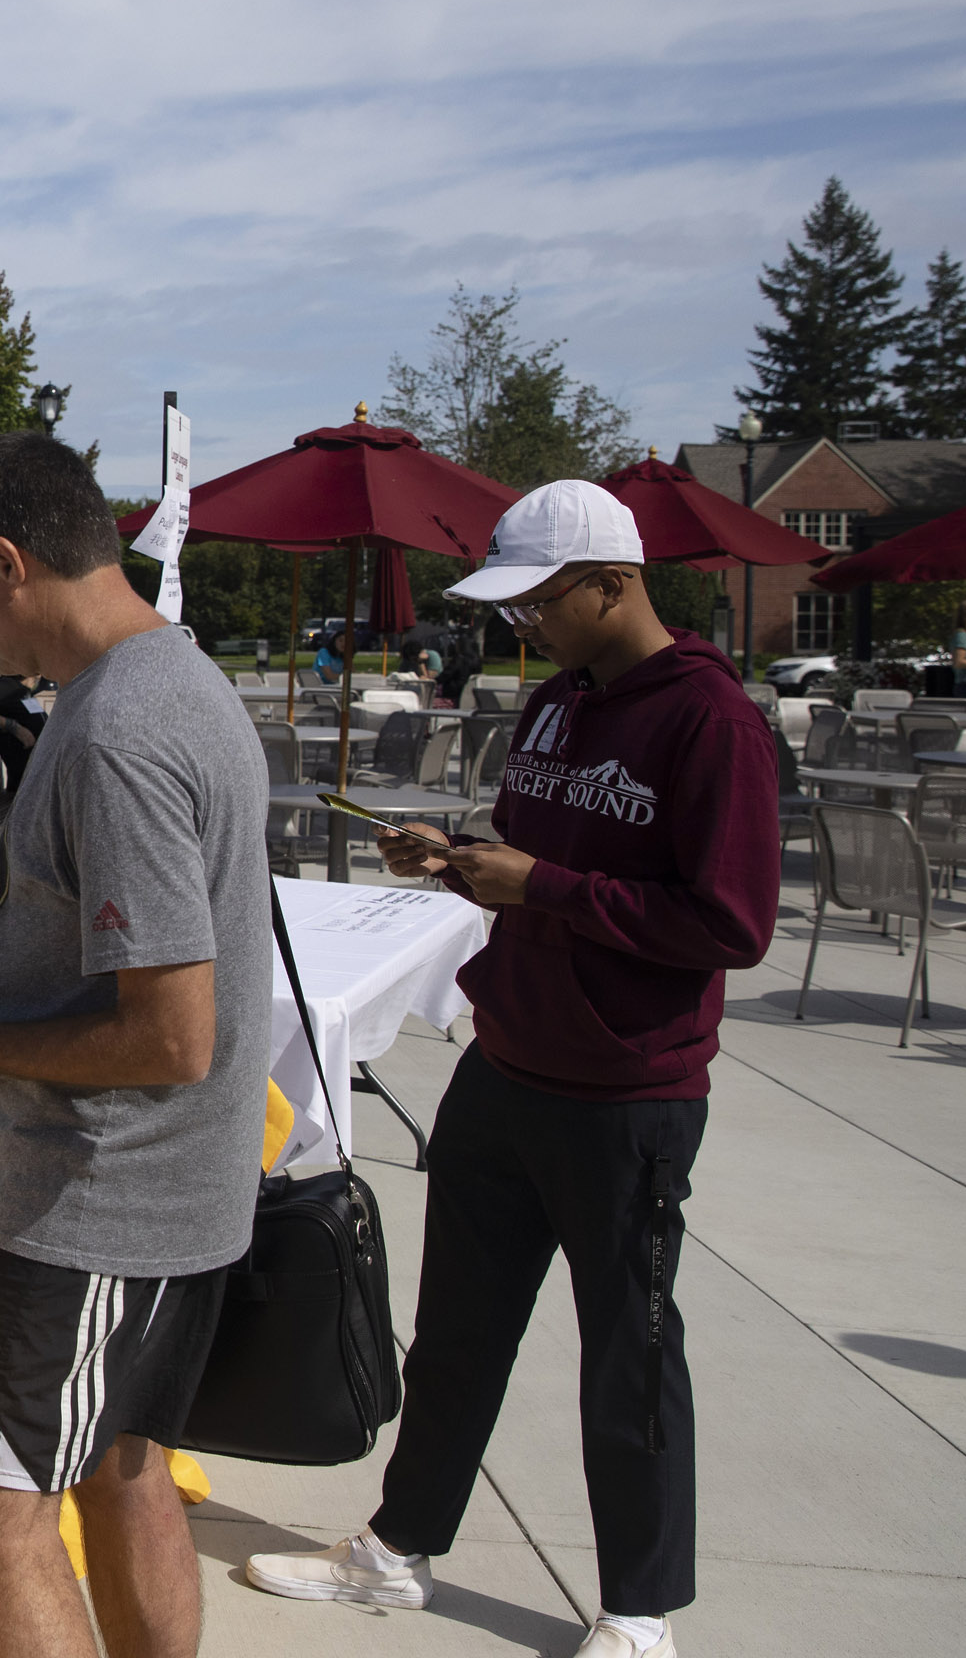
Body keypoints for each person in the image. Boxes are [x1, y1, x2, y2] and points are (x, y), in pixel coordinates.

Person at [244, 480, 776, 1658]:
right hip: (509, 1060)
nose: (524, 624)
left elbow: (732, 922)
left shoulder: (711, 720)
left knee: (627, 1352)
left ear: (612, 583)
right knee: (458, 1328)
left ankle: (640, 1609)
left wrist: (539, 886)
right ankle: (398, 1548)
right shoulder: (553, 702)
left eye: (539, 602)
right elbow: (552, 853)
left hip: (626, 1091)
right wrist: (461, 857)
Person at [0, 430, 270, 1658]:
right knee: (123, 1471)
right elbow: (133, 937)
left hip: (101, 1202)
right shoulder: (162, 680)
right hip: (165, 1189)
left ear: (6, 559)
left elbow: (168, 1032)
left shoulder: (118, 731)